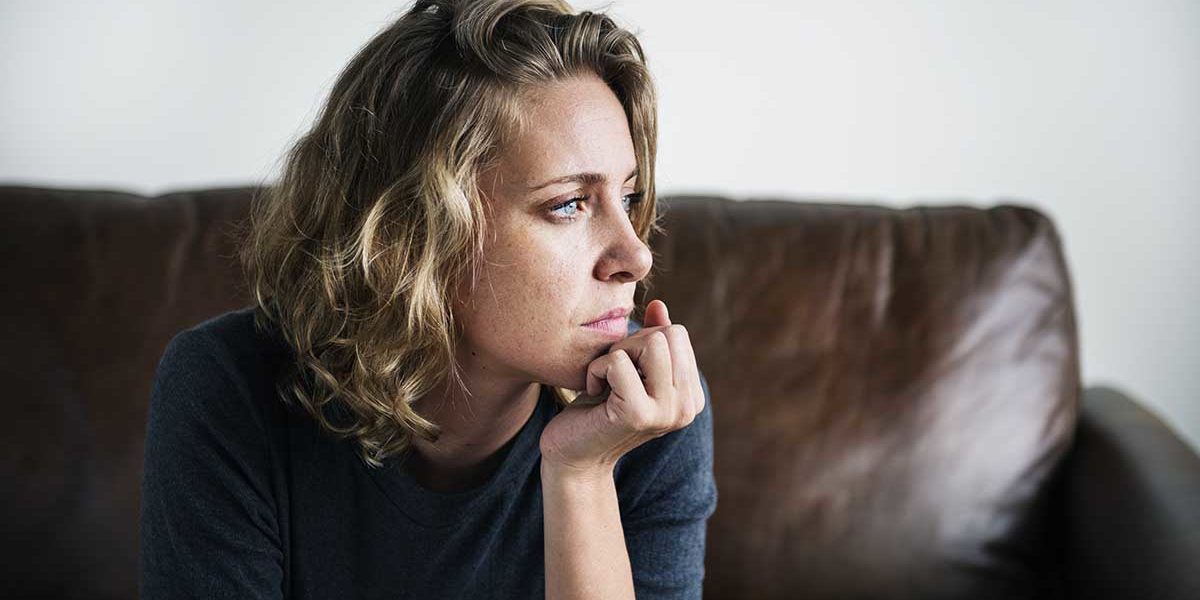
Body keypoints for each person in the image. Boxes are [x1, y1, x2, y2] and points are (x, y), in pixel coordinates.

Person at [138, 0, 716, 598]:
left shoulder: (651, 412)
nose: (637, 256)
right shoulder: (228, 388)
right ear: (415, 231)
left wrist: (582, 473)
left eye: (629, 197)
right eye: (568, 204)